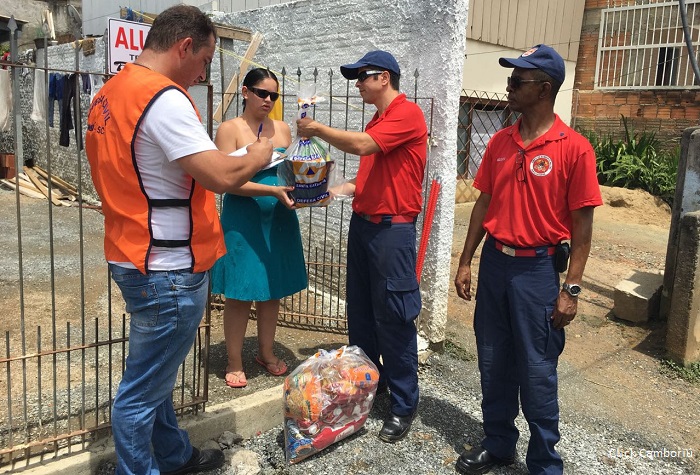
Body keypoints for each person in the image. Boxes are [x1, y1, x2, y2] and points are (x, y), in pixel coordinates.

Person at [84, 5, 273, 475]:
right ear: (184, 46)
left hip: (135, 254)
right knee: (140, 394)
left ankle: (174, 455)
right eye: (205, 60)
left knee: (155, 377)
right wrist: (261, 152)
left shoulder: (109, 93)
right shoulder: (161, 98)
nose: (204, 72)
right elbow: (219, 175)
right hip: (167, 267)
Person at [453, 44, 603, 475]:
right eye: (511, 80)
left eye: (518, 81)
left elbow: (583, 231)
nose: (509, 87)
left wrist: (570, 290)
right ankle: (498, 442)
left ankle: (543, 463)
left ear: (545, 88)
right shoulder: (500, 142)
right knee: (493, 361)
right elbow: (484, 204)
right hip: (497, 266)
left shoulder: (574, 149)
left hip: (537, 272)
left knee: (537, 371)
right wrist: (466, 261)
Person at [296, 50, 427, 443]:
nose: (357, 84)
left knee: (394, 316)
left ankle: (404, 405)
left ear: (383, 77)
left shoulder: (406, 114)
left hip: (392, 232)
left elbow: (364, 147)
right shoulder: (380, 119)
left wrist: (316, 129)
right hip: (366, 226)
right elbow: (369, 177)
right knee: (363, 313)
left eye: (362, 77)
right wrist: (332, 191)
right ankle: (373, 383)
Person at [210, 68, 307, 389]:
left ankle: (265, 351)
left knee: (272, 290)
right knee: (240, 293)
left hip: (279, 220)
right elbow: (227, 182)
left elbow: (289, 177)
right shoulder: (229, 129)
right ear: (246, 92)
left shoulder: (282, 129)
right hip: (243, 220)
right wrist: (272, 192)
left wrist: (309, 190)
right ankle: (234, 359)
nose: (268, 100)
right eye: (262, 93)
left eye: (274, 96)